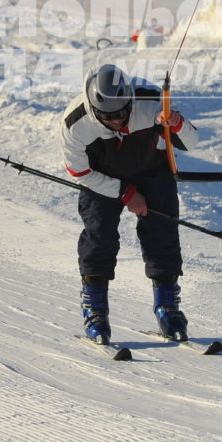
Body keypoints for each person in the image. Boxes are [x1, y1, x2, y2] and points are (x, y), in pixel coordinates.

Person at [59, 62, 203, 346]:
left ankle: (167, 308)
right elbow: (80, 172)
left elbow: (192, 141)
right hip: (101, 176)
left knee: (162, 230)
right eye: (109, 117)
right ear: (93, 109)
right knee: (99, 234)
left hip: (150, 168)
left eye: (123, 112)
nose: (118, 121)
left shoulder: (150, 102)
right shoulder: (74, 124)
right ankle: (95, 310)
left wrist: (176, 125)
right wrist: (125, 193)